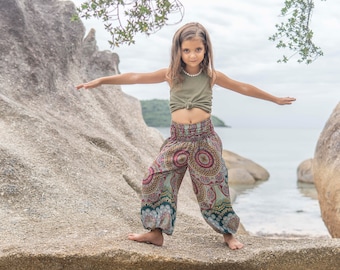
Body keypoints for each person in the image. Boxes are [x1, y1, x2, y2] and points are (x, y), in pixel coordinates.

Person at [76, 22, 296, 250]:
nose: (192, 55)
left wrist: (275, 99)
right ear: (178, 51)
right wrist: (103, 80)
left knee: (214, 188)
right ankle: (155, 232)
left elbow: (243, 87)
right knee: (154, 178)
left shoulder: (211, 75)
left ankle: (229, 234)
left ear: (206, 50)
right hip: (178, 139)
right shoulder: (171, 74)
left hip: (204, 139)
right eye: (187, 50)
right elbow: (134, 77)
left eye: (198, 50)